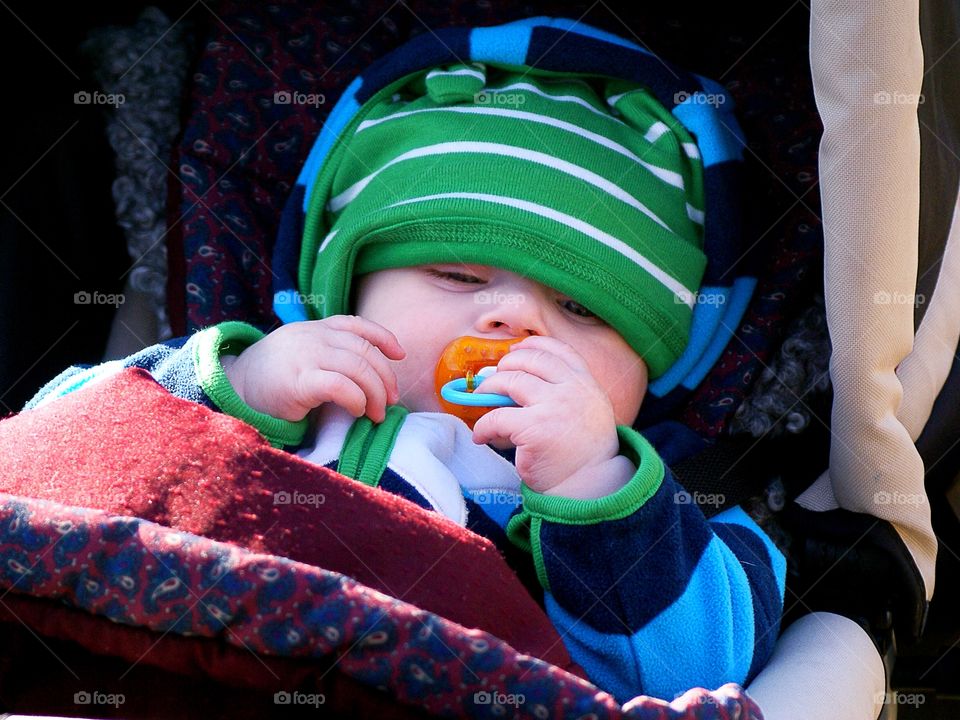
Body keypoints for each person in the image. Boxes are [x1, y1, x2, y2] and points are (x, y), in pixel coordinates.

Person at [25, 63, 785, 704]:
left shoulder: (669, 491)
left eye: (583, 308)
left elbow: (702, 677)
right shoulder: (250, 383)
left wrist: (596, 485)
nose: (516, 318)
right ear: (347, 289)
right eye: (456, 274)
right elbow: (43, 454)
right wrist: (233, 384)